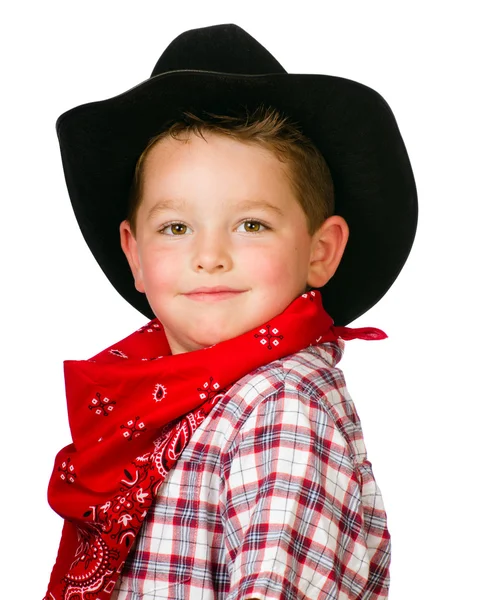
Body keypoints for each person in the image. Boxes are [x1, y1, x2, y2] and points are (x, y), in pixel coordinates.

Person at [44, 24, 417, 600]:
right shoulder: (162, 410)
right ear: (134, 256)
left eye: (251, 225)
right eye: (175, 227)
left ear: (320, 252)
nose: (210, 257)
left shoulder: (278, 406)